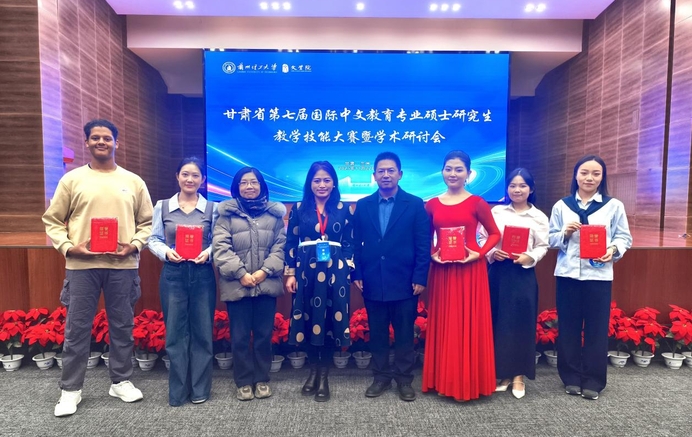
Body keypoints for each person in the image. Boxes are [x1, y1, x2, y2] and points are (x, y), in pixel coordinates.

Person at [42, 119, 153, 417]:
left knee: (123, 327)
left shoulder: (134, 181)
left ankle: (121, 381)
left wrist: (134, 245)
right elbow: (52, 220)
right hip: (82, 266)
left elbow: (146, 223)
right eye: (95, 138)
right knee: (77, 329)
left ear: (117, 143)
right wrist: (68, 247)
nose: (101, 142)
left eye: (107, 138)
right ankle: (70, 390)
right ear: (87, 143)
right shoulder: (72, 180)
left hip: (123, 265)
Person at [548, 155, 632, 400]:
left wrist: (613, 250)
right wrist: (564, 233)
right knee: (569, 327)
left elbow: (624, 237)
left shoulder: (613, 206)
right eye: (584, 172)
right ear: (576, 175)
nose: (589, 178)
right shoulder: (561, 206)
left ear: (602, 177)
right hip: (567, 275)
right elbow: (550, 239)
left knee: (596, 329)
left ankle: (594, 380)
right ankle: (571, 377)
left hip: (599, 275)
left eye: (596, 173)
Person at [421, 150, 500, 402]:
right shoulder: (432, 204)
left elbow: (495, 234)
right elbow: (424, 237)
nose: (453, 174)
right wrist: (432, 253)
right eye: (448, 168)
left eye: (458, 169)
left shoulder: (477, 202)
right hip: (442, 271)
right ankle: (443, 380)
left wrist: (479, 254)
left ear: (468, 173)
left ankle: (469, 382)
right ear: (442, 171)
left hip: (470, 271)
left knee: (468, 324)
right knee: (446, 323)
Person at [352, 152, 431, 402]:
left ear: (400, 174)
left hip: (405, 281)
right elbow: (355, 244)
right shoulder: (363, 205)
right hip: (372, 279)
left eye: (391, 170)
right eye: (381, 171)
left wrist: (420, 276)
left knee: (405, 333)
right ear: (374, 175)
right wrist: (357, 272)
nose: (386, 175)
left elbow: (423, 244)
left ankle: (404, 379)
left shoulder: (415, 204)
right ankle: (381, 377)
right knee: (377, 332)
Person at [147, 157, 218, 406]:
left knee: (202, 333)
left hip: (202, 274)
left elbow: (218, 241)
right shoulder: (162, 206)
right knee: (175, 335)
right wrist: (166, 252)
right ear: (177, 176)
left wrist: (208, 254)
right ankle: (177, 391)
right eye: (185, 174)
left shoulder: (213, 209)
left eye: (195, 175)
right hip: (173, 274)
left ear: (203, 180)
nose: (190, 179)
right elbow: (153, 239)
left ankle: (200, 389)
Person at [212, 167, 286, 401]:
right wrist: (241, 273)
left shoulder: (274, 216)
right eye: (244, 183)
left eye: (254, 182)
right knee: (240, 336)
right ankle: (243, 381)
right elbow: (221, 248)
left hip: (266, 283)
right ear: (237, 187)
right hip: (237, 285)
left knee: (264, 335)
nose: (249, 187)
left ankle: (262, 379)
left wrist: (264, 271)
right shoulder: (226, 215)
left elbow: (281, 247)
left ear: (262, 186)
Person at [284, 161, 354, 402]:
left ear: (334, 183)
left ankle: (324, 376)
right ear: (310, 183)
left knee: (331, 320)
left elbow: (350, 242)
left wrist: (346, 267)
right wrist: (290, 273)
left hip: (336, 273)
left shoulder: (344, 209)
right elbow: (291, 242)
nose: (322, 184)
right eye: (317, 180)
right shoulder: (299, 208)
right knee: (308, 319)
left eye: (326, 180)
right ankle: (313, 371)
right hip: (306, 273)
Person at [478, 168, 549, 399]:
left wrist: (530, 257)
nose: (517, 190)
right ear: (507, 189)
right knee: (499, 322)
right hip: (498, 273)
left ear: (531, 189)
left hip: (522, 274)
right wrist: (492, 253)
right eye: (512, 186)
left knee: (521, 324)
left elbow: (543, 245)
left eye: (522, 186)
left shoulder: (538, 217)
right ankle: (503, 374)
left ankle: (518, 376)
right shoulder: (496, 212)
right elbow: (482, 237)